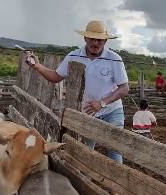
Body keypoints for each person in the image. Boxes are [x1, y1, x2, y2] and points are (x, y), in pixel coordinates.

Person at [26, 20, 129, 164]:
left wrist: (102, 103)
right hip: (87, 112)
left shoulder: (114, 59)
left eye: (99, 40)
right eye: (92, 39)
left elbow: (124, 88)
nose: (95, 43)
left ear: (105, 41)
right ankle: (83, 182)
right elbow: (56, 76)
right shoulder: (74, 56)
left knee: (114, 150)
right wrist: (37, 66)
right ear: (85, 38)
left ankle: (117, 185)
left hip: (112, 111)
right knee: (84, 152)